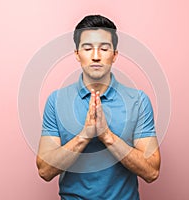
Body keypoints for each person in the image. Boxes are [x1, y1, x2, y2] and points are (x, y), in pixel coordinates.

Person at [36, 14, 161, 199]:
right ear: (77, 54)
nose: (96, 56)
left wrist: (107, 136)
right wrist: (84, 136)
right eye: (87, 48)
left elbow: (151, 172)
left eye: (104, 48)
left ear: (115, 55)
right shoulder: (56, 101)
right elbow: (45, 171)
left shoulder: (138, 101)